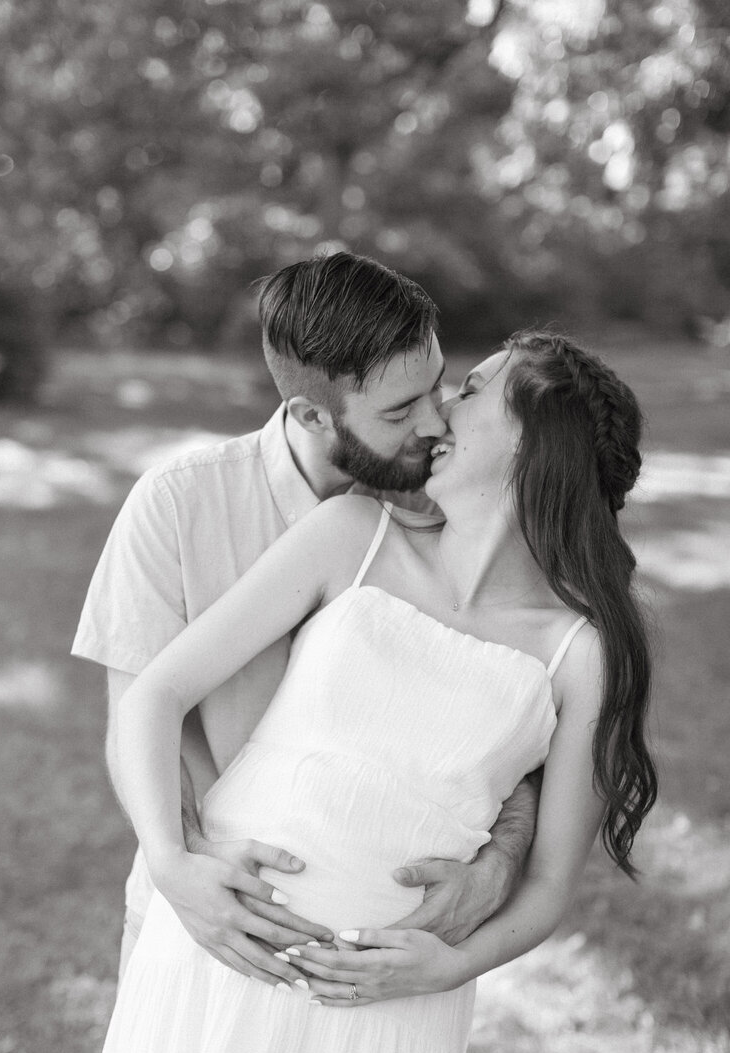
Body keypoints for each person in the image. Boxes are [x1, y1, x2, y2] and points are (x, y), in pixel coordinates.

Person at [69, 330, 657, 1053]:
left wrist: (448, 967)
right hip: (223, 941)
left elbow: (546, 887)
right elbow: (153, 697)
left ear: (532, 442)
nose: (442, 407)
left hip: (391, 1002)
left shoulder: (581, 650)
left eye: (472, 390)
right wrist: (173, 863)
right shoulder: (355, 534)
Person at [72, 252, 538, 989]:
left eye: (436, 388)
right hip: (214, 922)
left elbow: (513, 706)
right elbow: (137, 715)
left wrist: (499, 865)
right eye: (396, 412)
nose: (434, 423)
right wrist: (178, 868)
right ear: (310, 413)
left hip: (382, 953)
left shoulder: (450, 508)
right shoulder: (177, 505)